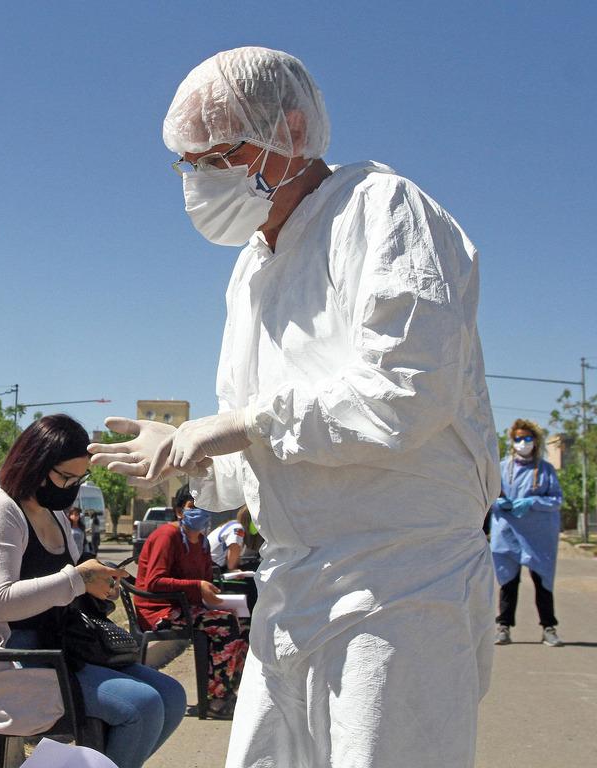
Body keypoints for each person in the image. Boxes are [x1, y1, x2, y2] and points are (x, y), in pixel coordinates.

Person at [90, 46, 500, 768]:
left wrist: (239, 425)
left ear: (294, 131)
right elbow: (252, 447)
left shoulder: (381, 209)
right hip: (290, 586)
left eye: (222, 154)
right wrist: (189, 460)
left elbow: (406, 391)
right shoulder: (251, 270)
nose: (203, 177)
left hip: (400, 582)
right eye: (190, 162)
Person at [0, 414, 185, 768]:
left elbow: (69, 583)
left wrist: (96, 586)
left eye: (79, 479)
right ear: (34, 464)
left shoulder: (54, 513)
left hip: (63, 648)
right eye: (65, 478)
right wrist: (78, 579)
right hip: (14, 661)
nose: (71, 488)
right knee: (143, 706)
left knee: (172, 695)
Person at [135, 504, 249, 718]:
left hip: (189, 607)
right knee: (225, 624)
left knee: (243, 623)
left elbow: (205, 580)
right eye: (193, 506)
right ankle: (216, 700)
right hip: (161, 609)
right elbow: (154, 581)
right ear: (180, 511)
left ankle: (228, 691)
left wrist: (213, 595)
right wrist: (197, 587)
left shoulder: (202, 542)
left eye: (204, 505)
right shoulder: (167, 536)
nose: (200, 512)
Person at [490, 419, 564, 647]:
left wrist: (532, 502)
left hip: (538, 536)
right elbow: (488, 495)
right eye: (518, 438)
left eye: (527, 438)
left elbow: (556, 500)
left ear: (536, 441)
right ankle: (503, 627)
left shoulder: (545, 470)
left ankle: (548, 628)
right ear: (512, 440)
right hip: (507, 534)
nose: (522, 443)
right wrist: (498, 502)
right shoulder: (501, 468)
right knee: (508, 582)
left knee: (543, 582)